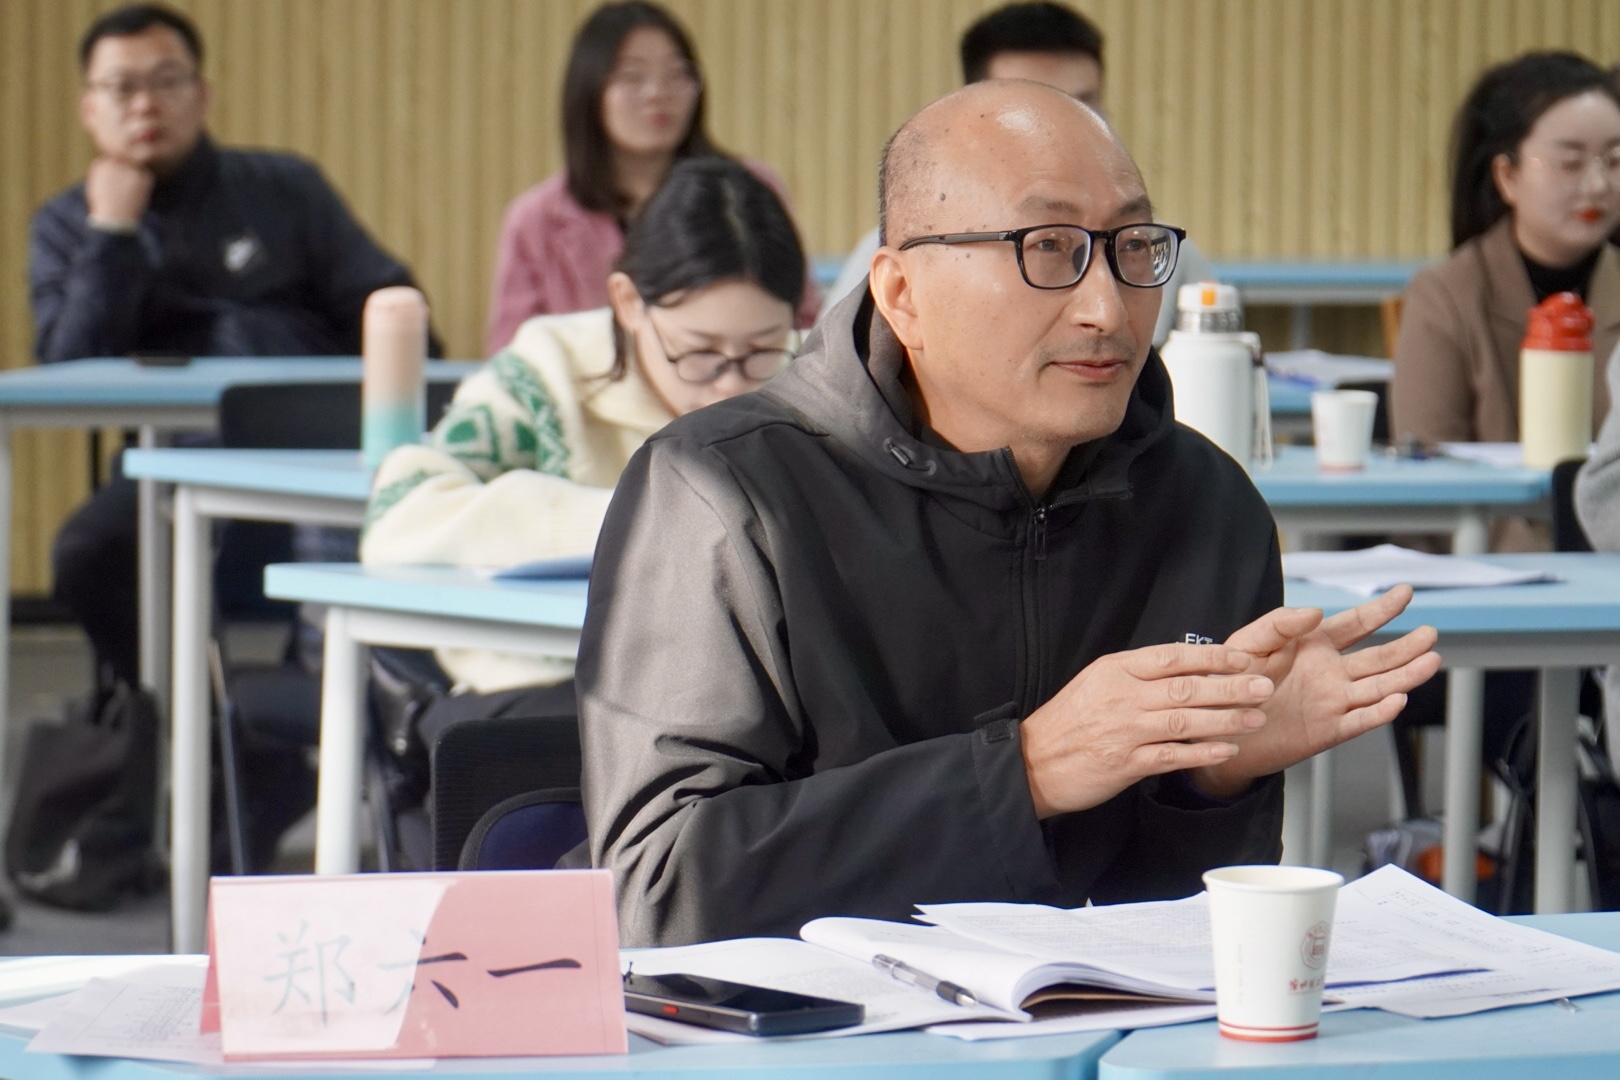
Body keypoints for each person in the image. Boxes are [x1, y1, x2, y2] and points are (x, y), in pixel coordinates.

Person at [575, 81, 1441, 946]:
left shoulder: (1208, 504)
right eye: (1049, 247)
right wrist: (1025, 772)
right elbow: (657, 891)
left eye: (1133, 246)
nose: (1108, 308)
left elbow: (1177, 939)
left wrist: (1212, 781)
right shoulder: (724, 493)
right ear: (903, 294)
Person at [363, 157, 807, 865]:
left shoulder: (807, 385)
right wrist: (646, 519)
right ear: (628, 302)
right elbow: (401, 511)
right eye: (698, 354)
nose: (728, 386)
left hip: (742, 692)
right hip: (551, 687)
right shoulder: (548, 374)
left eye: (760, 352)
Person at [31, 3, 435, 689]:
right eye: (122, 88)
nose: (145, 104)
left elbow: (387, 302)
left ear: (202, 94)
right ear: (89, 109)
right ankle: (186, 712)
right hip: (172, 460)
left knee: (383, 527)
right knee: (89, 550)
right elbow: (68, 371)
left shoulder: (284, 188)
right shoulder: (68, 224)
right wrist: (111, 234)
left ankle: (328, 708)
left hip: (314, 449)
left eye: (166, 80)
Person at [821, 1, 1213, 347]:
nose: (1106, 314)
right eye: (1030, 112)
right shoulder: (907, 252)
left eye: (1083, 107)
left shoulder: (1160, 253)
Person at [484, 1, 816, 353]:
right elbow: (511, 357)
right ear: (588, 91)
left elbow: (805, 321)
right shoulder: (536, 219)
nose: (657, 93)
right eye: (632, 77)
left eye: (676, 74)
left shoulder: (747, 187)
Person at [1391, 52, 1620, 552]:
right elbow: (1424, 482)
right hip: (1484, 563)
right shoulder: (1445, 295)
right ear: (1508, 176)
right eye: (1571, 163)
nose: (1598, 184)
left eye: (1615, 160)